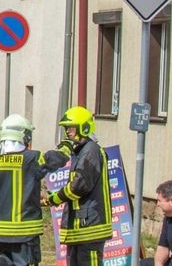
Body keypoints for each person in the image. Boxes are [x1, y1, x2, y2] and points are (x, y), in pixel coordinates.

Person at [0, 114, 72, 266]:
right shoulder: (31, 159)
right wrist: (67, 145)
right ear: (25, 136)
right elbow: (54, 159)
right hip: (26, 232)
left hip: (2, 232)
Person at [46, 106, 112, 265]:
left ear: (84, 127)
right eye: (66, 128)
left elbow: (79, 186)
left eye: (71, 128)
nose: (68, 132)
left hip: (90, 228)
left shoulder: (91, 151)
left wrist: (53, 199)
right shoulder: (81, 151)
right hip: (80, 229)